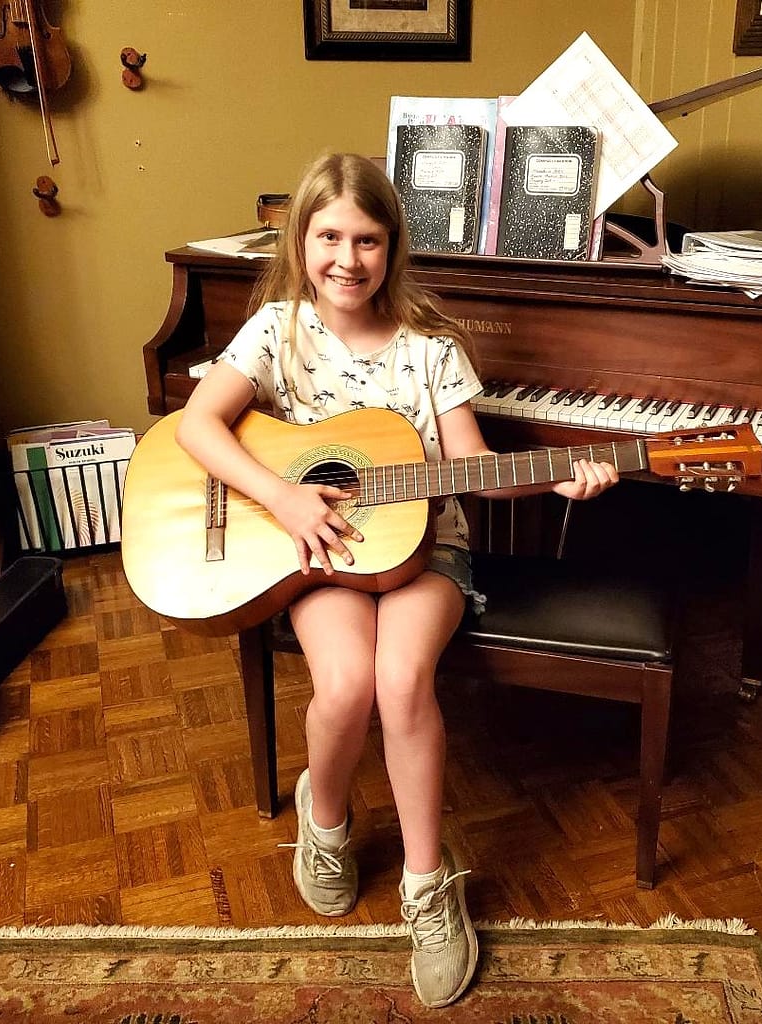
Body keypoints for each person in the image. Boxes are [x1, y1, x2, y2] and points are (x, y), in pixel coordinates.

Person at [175, 152, 619, 1008]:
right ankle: (328, 823)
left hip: (426, 552)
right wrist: (285, 498)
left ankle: (427, 887)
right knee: (342, 686)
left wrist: (562, 476)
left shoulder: (431, 353)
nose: (348, 258)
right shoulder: (274, 330)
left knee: (402, 681)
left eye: (368, 240)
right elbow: (198, 425)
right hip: (324, 553)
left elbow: (472, 466)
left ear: (393, 247)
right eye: (330, 236)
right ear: (302, 239)